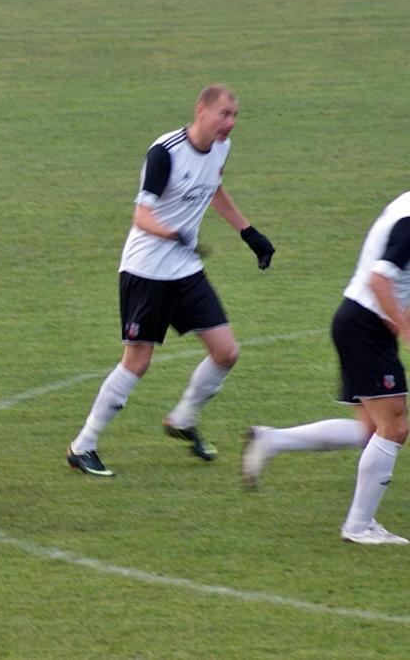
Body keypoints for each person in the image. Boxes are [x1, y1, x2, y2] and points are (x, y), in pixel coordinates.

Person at [65, 84, 276, 477]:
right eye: (223, 114)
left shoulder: (220, 148)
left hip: (185, 271)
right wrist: (173, 233)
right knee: (138, 362)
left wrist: (249, 233)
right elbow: (141, 216)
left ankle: (182, 418)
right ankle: (84, 444)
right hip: (146, 272)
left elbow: (213, 189)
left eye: (234, 116)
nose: (229, 123)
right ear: (201, 110)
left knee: (226, 351)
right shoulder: (165, 152)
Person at [246, 192, 410, 545]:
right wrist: (405, 328)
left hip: (354, 320)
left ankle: (272, 439)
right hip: (367, 327)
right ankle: (359, 526)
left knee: (371, 431)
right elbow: (380, 281)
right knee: (395, 426)